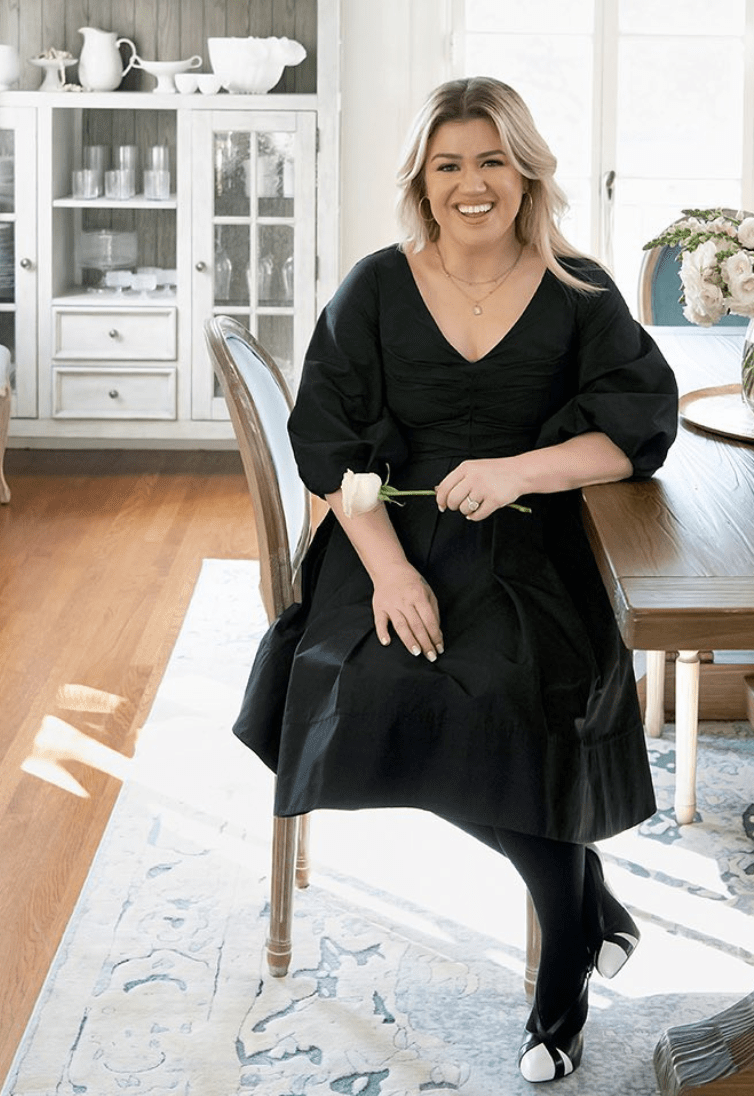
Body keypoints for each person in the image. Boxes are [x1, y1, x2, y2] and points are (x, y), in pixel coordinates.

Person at [234, 76, 678, 1082]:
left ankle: (559, 974)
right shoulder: (375, 287)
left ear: (525, 173)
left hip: (532, 546)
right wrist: (388, 573)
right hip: (385, 536)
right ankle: (587, 906)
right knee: (384, 681)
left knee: (518, 692)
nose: (470, 183)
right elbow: (331, 448)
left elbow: (639, 431)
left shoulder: (581, 290)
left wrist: (518, 469)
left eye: (490, 161)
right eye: (448, 165)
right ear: (422, 182)